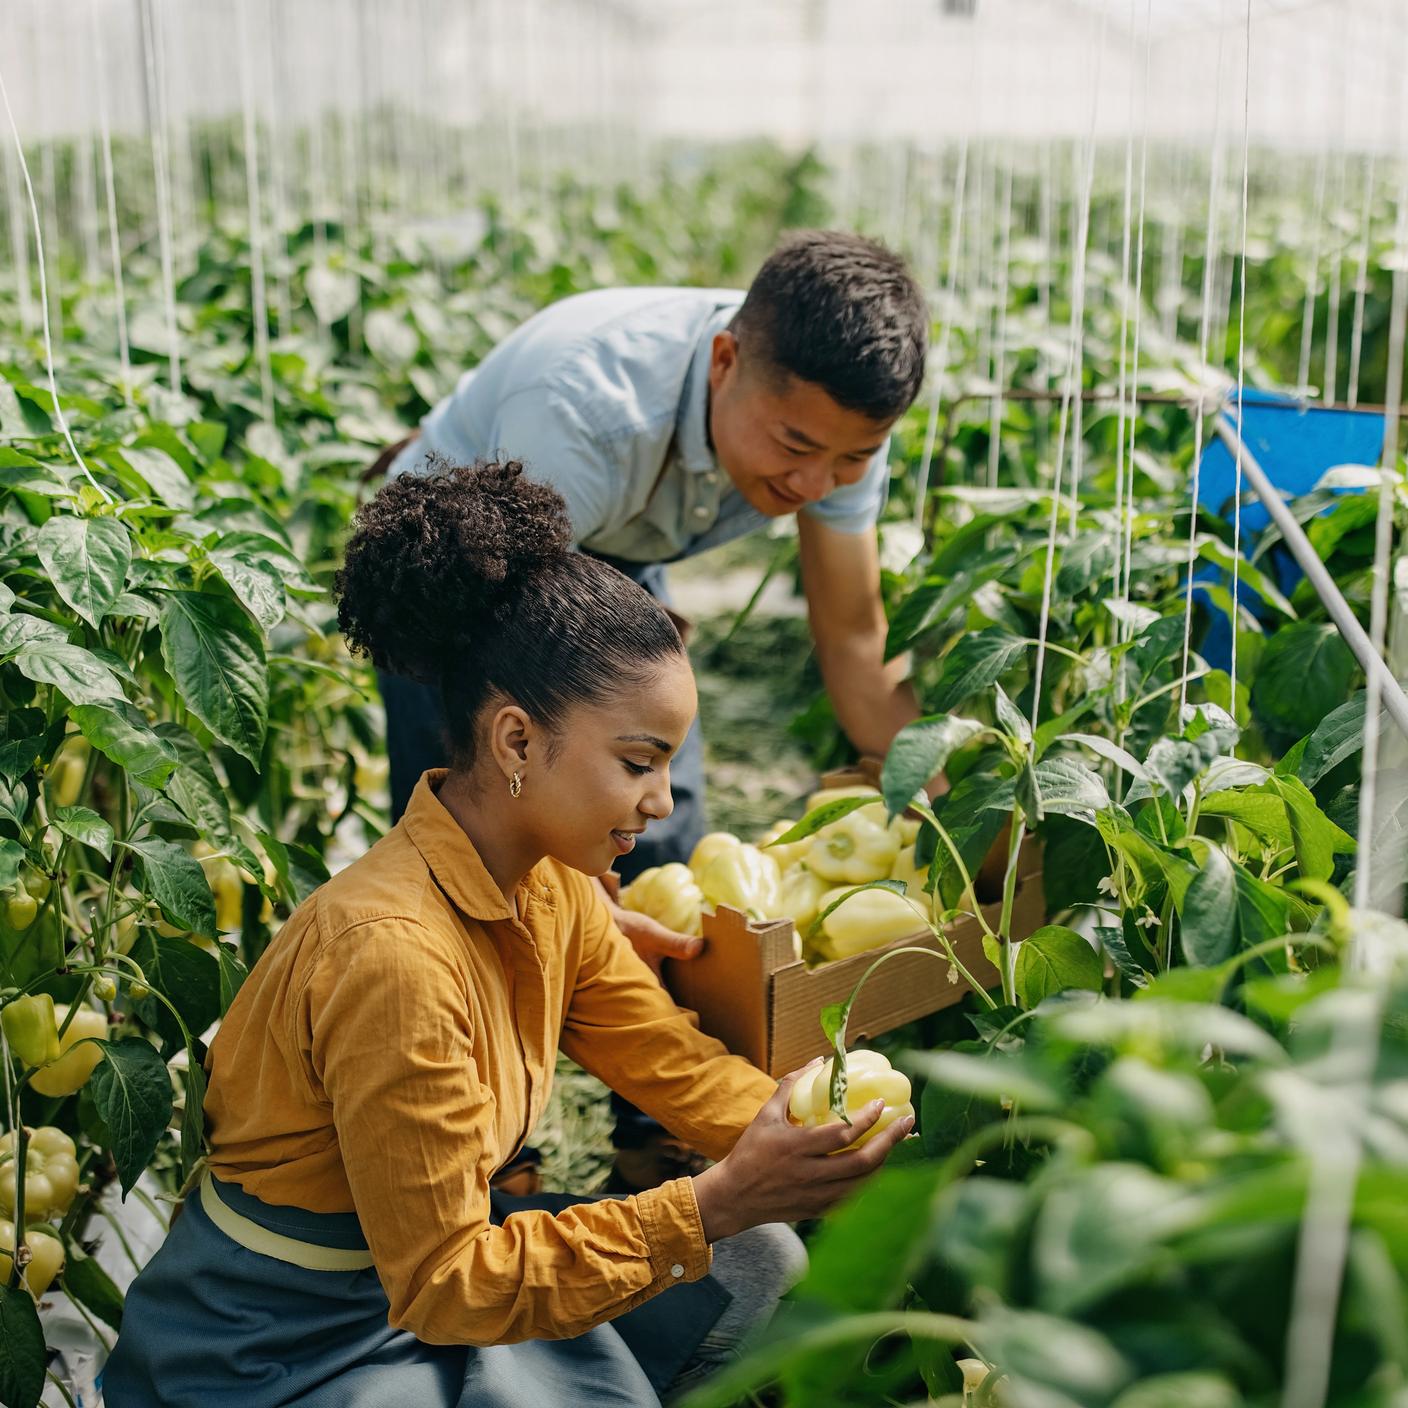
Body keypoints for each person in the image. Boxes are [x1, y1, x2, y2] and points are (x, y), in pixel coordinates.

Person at [101, 462, 914, 1408]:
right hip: (281, 1330)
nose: (662, 801)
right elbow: (447, 1282)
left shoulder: (555, 893)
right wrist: (715, 1199)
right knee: (710, 1247)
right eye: (638, 762)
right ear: (518, 742)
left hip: (421, 1271)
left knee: (753, 1259)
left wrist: (827, 1147)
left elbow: (672, 1066)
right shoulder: (391, 954)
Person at [376, 231, 931, 1188]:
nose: (813, 486)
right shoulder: (586, 413)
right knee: (479, 871)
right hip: (462, 571)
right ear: (724, 363)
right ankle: (483, 1152)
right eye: (795, 448)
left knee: (666, 847)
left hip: (608, 548)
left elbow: (852, 639)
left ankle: (662, 1132)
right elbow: (515, 672)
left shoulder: (834, 429)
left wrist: (936, 778)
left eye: (851, 461)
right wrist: (559, 860)